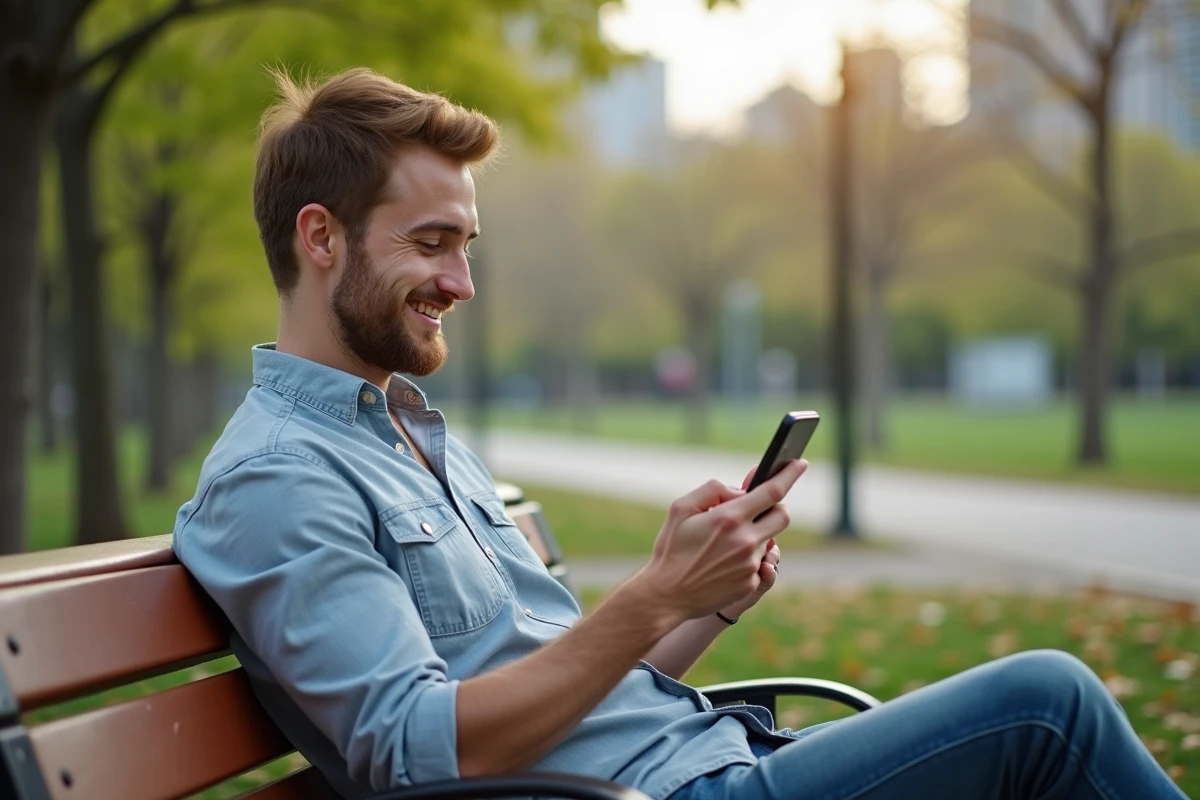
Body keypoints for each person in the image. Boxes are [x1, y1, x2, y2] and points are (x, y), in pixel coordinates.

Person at [173, 67, 1186, 800]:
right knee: (1045, 703)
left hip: (690, 763)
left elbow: (562, 684)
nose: (462, 283)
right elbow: (412, 745)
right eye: (431, 243)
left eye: (466, 245)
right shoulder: (281, 478)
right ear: (320, 237)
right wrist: (652, 593)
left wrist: (704, 599)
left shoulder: (405, 432)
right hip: (655, 790)